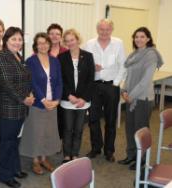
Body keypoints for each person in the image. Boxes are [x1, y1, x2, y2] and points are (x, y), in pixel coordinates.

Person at [0, 27, 35, 188]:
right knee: (7, 142)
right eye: (14, 39)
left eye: (19, 39)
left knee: (14, 140)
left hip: (21, 107)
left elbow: (25, 79)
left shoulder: (18, 56)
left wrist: (30, 95)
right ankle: (4, 175)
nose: (17, 42)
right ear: (6, 41)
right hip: (9, 108)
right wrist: (24, 99)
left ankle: (14, 168)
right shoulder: (2, 56)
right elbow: (6, 84)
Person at [118, 27, 163, 170]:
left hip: (142, 99)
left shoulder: (151, 55)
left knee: (141, 130)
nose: (139, 39)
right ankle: (131, 155)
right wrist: (123, 90)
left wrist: (131, 95)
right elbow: (128, 76)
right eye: (136, 37)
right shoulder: (133, 55)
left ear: (148, 39)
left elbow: (145, 80)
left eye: (142, 37)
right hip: (130, 96)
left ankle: (142, 159)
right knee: (130, 128)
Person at [20, 32, 62, 175]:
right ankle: (35, 161)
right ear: (35, 46)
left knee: (48, 133)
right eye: (40, 43)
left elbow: (59, 82)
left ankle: (44, 158)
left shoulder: (55, 60)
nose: (43, 45)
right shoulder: (30, 61)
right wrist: (43, 100)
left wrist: (56, 100)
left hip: (52, 104)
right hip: (38, 104)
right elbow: (32, 83)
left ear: (49, 44)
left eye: (45, 42)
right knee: (36, 133)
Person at [84, 19, 126, 162]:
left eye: (107, 29)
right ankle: (96, 148)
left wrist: (115, 84)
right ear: (97, 30)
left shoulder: (118, 43)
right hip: (94, 86)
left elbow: (123, 65)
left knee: (110, 119)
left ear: (111, 30)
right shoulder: (90, 44)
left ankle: (109, 151)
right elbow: (84, 64)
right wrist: (92, 67)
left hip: (111, 86)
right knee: (93, 119)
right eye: (101, 29)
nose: (104, 32)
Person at [58, 29, 95, 163]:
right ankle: (67, 154)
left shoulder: (88, 56)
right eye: (67, 41)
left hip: (83, 101)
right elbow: (60, 80)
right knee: (67, 129)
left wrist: (83, 98)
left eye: (72, 40)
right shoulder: (61, 57)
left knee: (78, 129)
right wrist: (69, 96)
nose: (70, 43)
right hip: (68, 100)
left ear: (78, 40)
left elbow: (90, 79)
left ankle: (75, 154)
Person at [47, 23, 67, 141]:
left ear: (61, 36)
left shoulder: (66, 52)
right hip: (46, 93)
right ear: (47, 35)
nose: (54, 36)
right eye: (52, 34)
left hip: (62, 92)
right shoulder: (41, 50)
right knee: (47, 122)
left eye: (57, 34)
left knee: (61, 120)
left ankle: (58, 144)